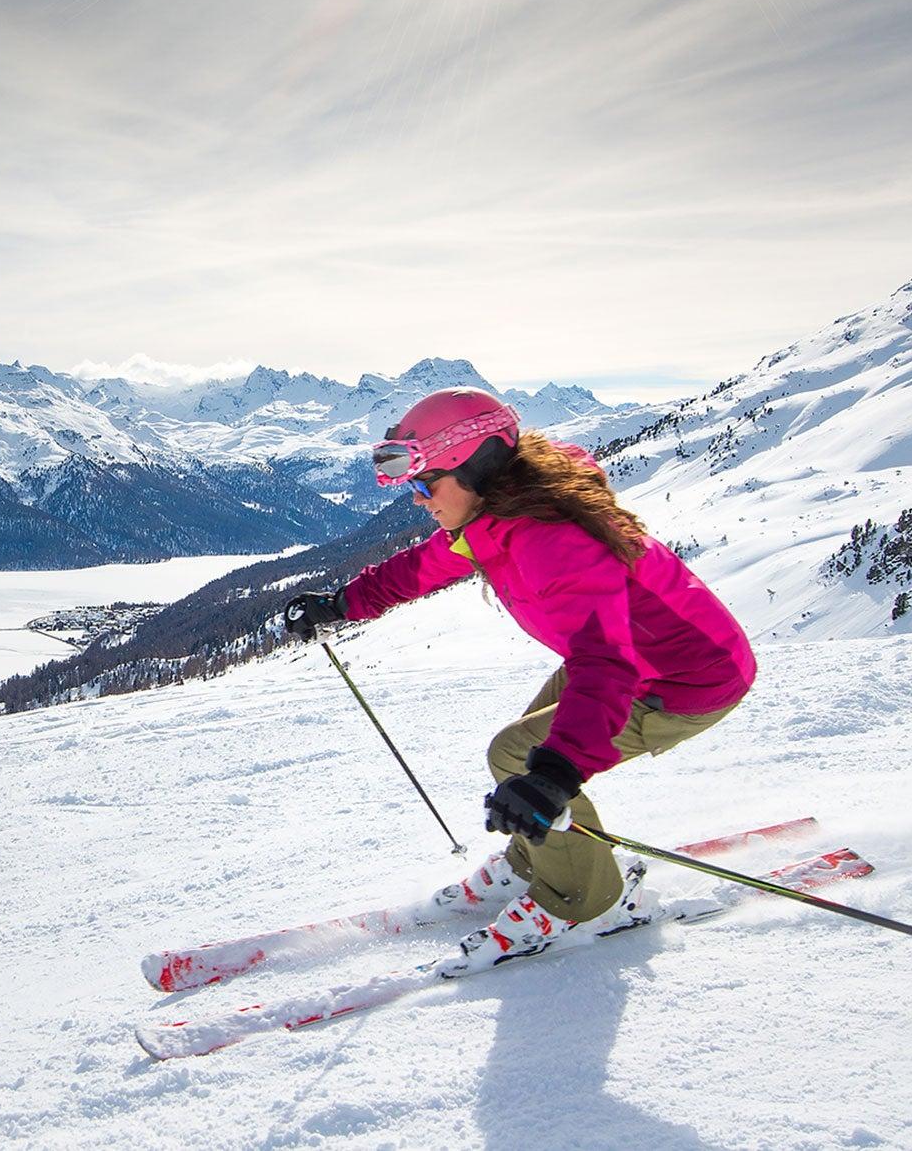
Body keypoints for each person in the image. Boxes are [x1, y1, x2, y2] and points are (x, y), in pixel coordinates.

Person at [283, 386, 756, 970]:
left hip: (686, 679)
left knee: (524, 758)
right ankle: (537, 860)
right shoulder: (498, 514)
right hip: (634, 659)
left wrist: (557, 774)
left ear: (476, 466)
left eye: (426, 483)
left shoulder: (552, 538)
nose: (418, 497)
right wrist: (342, 604)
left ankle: (586, 900)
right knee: (532, 756)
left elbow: (605, 664)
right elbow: (424, 566)